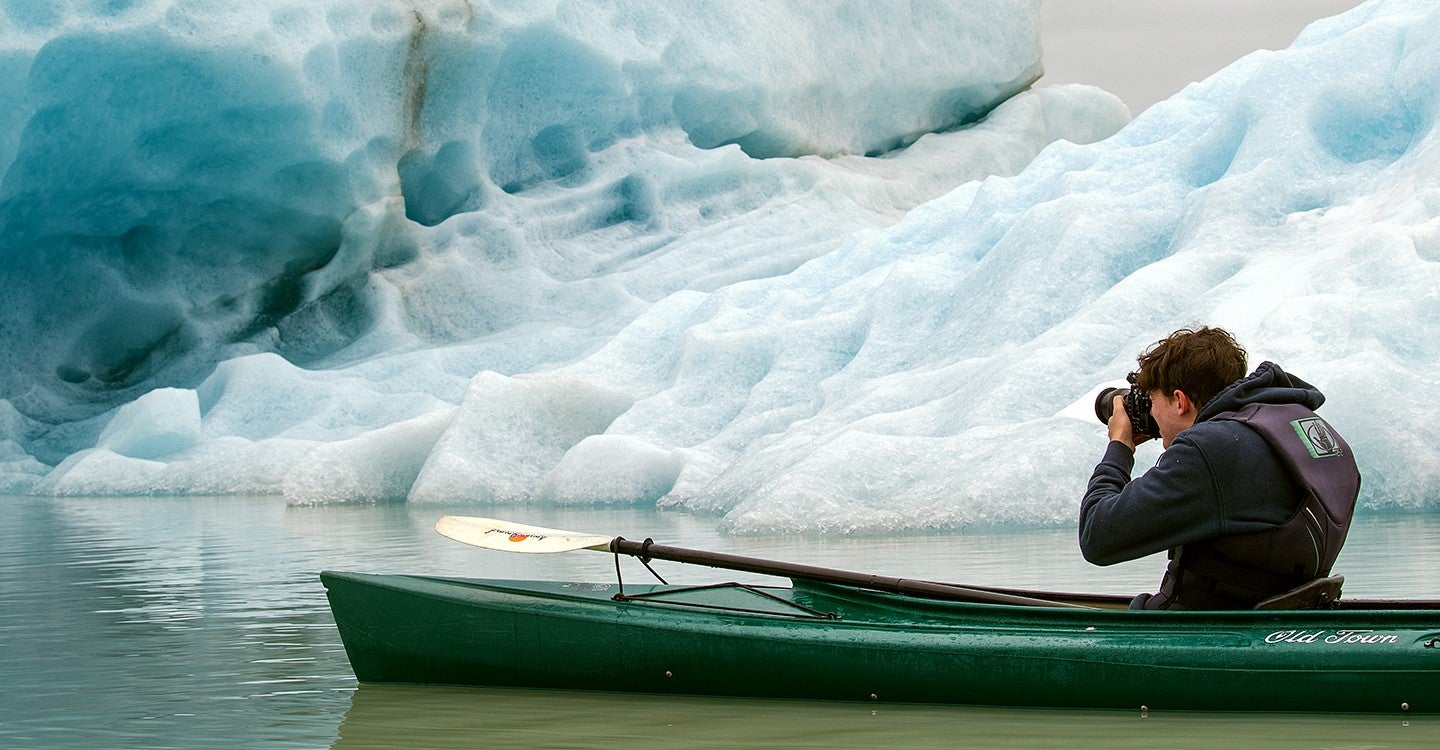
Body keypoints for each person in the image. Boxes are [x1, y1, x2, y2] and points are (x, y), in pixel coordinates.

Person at [1079, 326, 1361, 609]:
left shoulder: (1209, 450)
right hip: (1281, 617)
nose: (1151, 414)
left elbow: (1097, 536)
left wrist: (1120, 446)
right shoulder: (1301, 428)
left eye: (1152, 402)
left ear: (1179, 401)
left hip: (1207, 629)